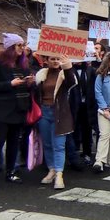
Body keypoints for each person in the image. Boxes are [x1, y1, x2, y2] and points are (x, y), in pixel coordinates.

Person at [0, 33, 34, 192]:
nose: (22, 48)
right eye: (19, 45)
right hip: (1, 111)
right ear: (10, 47)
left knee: (13, 143)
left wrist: (30, 83)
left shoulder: (23, 65)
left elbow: (26, 87)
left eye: (23, 45)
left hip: (18, 109)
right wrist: (9, 84)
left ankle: (10, 171)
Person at [34, 54, 77, 190]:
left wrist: (67, 66)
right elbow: (37, 94)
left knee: (59, 145)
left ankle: (59, 174)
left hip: (59, 113)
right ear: (46, 61)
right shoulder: (41, 75)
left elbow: (71, 82)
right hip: (44, 112)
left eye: (57, 59)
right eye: (52, 59)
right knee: (47, 143)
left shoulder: (64, 74)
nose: (56, 61)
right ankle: (51, 170)